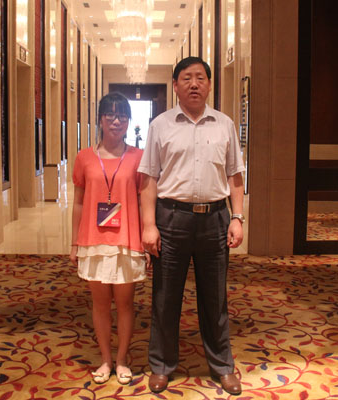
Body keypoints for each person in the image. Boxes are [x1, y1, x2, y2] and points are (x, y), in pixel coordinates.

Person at [138, 56, 245, 395]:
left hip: (215, 219)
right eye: (187, 78)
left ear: (210, 84)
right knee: (165, 297)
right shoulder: (161, 125)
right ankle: (161, 365)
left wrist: (238, 217)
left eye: (200, 77)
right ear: (175, 85)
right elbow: (148, 179)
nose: (194, 84)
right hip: (171, 219)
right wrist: (149, 225)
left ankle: (222, 366)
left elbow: (235, 175)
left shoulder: (225, 124)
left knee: (215, 298)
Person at [70, 92, 148, 385]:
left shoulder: (138, 157)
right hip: (93, 240)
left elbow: (145, 201)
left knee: (125, 304)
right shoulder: (84, 157)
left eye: (122, 115)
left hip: (127, 240)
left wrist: (146, 238)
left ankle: (122, 359)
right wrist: (74, 243)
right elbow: (78, 202)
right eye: (111, 115)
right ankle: (105, 360)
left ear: (129, 120)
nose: (117, 121)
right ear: (100, 119)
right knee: (100, 304)